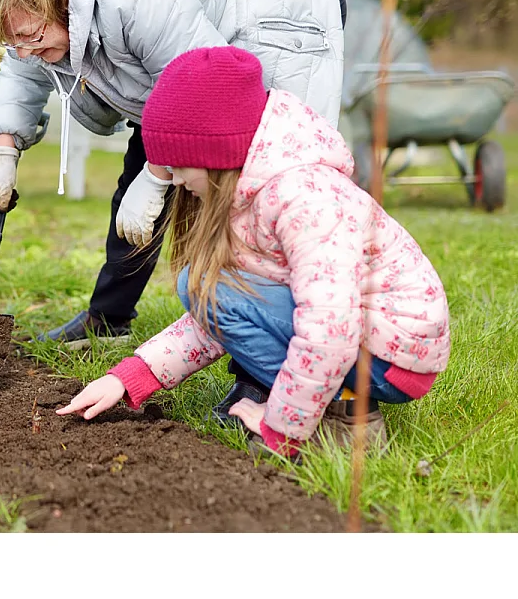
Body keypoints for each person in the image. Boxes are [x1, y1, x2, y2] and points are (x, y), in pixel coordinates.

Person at [0, 0, 347, 420]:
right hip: (194, 34)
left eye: (28, 36)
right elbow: (24, 65)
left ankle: (259, 376)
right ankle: (107, 318)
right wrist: (4, 149)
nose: (22, 49)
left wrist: (159, 174)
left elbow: (201, 91)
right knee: (141, 172)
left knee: (249, 191)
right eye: (12, 40)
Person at [55, 47, 449, 458]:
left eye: (176, 166)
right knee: (204, 285)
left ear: (210, 153)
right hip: (369, 342)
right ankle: (327, 404)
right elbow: (218, 318)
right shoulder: (254, 192)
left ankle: (343, 419)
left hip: (392, 356)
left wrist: (280, 429)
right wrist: (129, 378)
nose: (173, 180)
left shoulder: (304, 199)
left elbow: (329, 325)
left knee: (203, 284)